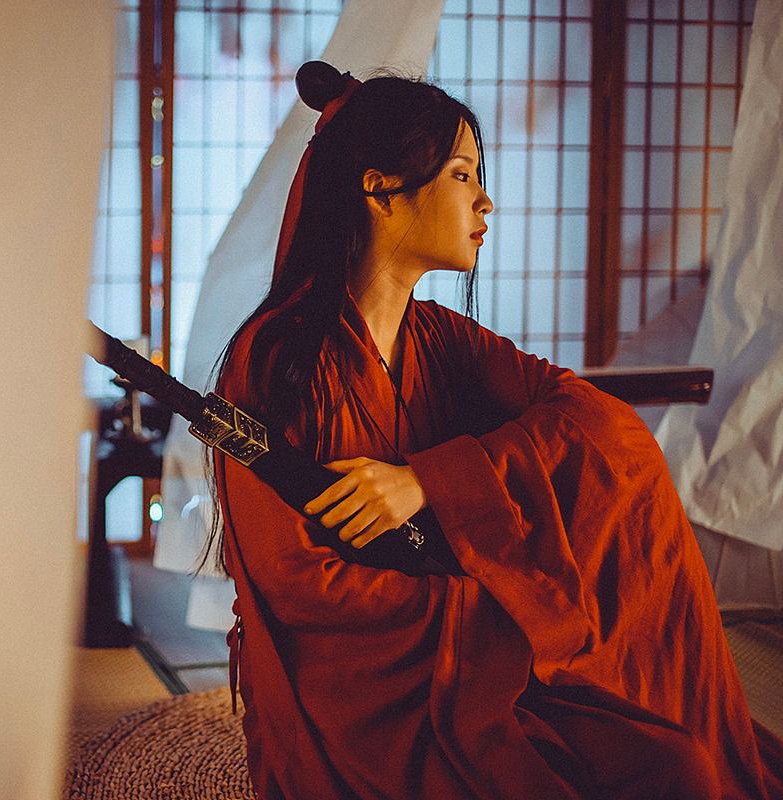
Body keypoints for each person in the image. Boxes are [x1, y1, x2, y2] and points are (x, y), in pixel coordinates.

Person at [210, 61, 783, 799]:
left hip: (480, 659)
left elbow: (602, 429)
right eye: (461, 175)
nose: (485, 201)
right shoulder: (276, 358)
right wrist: (506, 607)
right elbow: (297, 588)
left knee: (680, 767)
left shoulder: (442, 339)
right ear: (380, 189)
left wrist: (428, 482)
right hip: (352, 694)